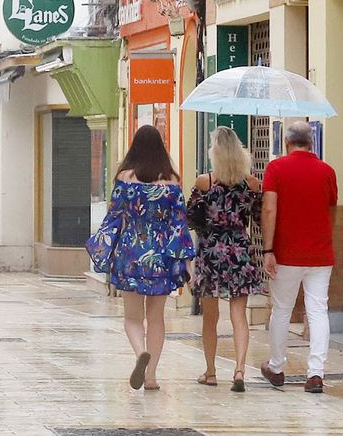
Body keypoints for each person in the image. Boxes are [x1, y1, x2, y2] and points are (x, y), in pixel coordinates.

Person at [101, 125, 196, 391]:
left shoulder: (124, 178)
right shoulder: (172, 182)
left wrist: (103, 249)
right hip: (162, 256)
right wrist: (187, 259)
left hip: (130, 253)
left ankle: (140, 352)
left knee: (132, 317)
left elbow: (113, 218)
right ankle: (151, 375)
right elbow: (180, 224)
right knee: (157, 318)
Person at [261, 120, 339, 393]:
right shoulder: (327, 171)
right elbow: (332, 211)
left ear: (286, 142)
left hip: (285, 253)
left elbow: (269, 210)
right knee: (318, 310)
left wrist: (267, 249)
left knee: (282, 309)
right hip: (320, 253)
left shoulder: (276, 169)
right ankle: (316, 374)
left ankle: (277, 367)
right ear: (312, 142)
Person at [187, 126, 264, 392]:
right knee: (238, 314)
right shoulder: (252, 183)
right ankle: (240, 369)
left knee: (210, 316)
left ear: (215, 151)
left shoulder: (204, 182)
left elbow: (190, 218)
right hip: (239, 250)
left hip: (211, 252)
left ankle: (210, 371)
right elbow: (257, 217)